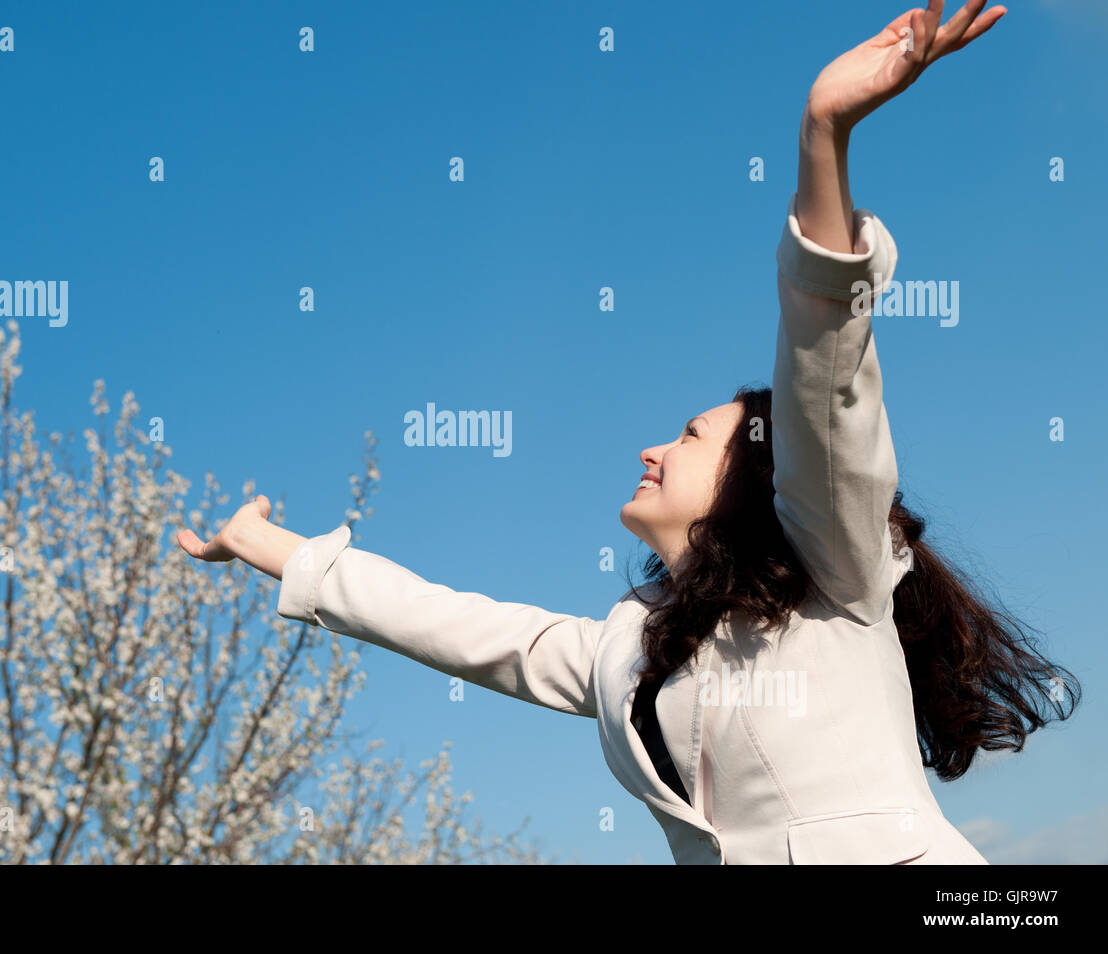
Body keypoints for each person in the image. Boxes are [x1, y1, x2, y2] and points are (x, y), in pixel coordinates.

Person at [178, 0, 1079, 864]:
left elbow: (825, 360)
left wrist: (823, 134)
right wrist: (265, 542)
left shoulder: (834, 562)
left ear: (760, 474)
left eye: (690, 436)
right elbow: (445, 623)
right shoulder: (622, 648)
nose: (652, 448)